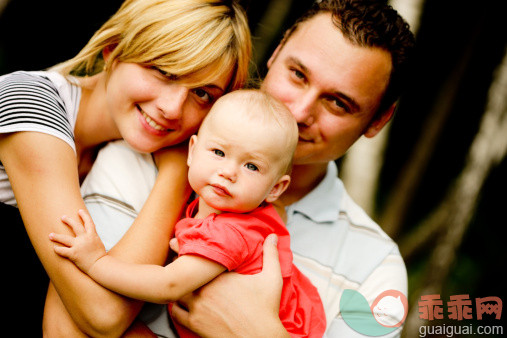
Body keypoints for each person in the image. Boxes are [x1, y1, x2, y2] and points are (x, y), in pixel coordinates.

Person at [71, 0, 416, 336]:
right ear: (276, 53)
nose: (299, 113)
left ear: (378, 120)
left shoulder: (374, 268)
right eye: (297, 75)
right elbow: (70, 327)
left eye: (338, 103)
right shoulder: (142, 160)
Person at [0, 0, 251, 336]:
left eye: (202, 94)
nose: (173, 108)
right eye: (165, 72)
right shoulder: (30, 103)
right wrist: (176, 172)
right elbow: (102, 314)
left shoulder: (129, 152)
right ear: (113, 49)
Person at [50, 89, 327, 337]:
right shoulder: (231, 214)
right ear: (192, 151)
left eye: (251, 166)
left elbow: (167, 286)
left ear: (275, 188)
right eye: (218, 152)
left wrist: (96, 262)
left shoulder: (230, 232)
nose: (228, 172)